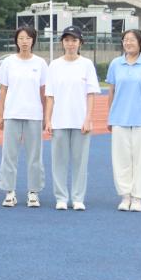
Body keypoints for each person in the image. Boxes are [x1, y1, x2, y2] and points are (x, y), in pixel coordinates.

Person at [44, 26, 100, 211]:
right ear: (62, 43)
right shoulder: (54, 65)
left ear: (80, 43)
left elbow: (91, 94)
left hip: (80, 121)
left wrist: (88, 118)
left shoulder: (86, 64)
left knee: (80, 162)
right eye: (67, 40)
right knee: (58, 161)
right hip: (59, 121)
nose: (70, 44)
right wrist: (48, 120)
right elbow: (50, 95)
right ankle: (61, 197)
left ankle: (77, 198)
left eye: (74, 40)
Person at [106, 29, 141, 212]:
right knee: (121, 160)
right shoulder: (116, 64)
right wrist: (110, 116)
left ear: (140, 42)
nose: (128, 43)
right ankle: (125, 196)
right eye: (125, 40)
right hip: (119, 118)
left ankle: (137, 197)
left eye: (132, 40)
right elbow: (111, 91)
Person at [0, 26, 48, 208]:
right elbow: (3, 90)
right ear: (16, 41)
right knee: (9, 155)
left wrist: (46, 116)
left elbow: (43, 92)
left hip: (34, 114)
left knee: (35, 156)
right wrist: (0, 114)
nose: (24, 41)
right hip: (12, 114)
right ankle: (9, 192)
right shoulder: (8, 62)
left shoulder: (40, 63)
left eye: (28, 38)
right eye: (21, 38)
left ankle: (33, 192)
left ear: (33, 40)